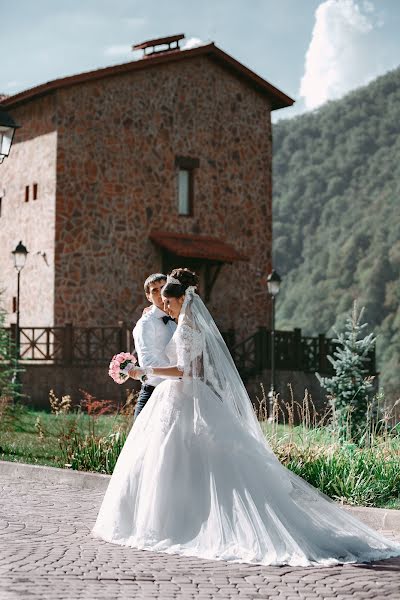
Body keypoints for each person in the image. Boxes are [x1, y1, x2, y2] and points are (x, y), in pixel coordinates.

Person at [93, 268, 400, 566]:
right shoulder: (188, 320)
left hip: (182, 393)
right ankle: (185, 517)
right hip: (184, 394)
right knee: (183, 460)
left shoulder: (185, 324)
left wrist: (142, 370)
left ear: (178, 299)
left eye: (168, 303)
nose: (166, 308)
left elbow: (185, 370)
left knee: (180, 459)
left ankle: (179, 524)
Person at [132, 273, 176, 418]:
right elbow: (147, 362)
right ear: (148, 297)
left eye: (163, 288)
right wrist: (179, 373)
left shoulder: (176, 318)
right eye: (154, 290)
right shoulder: (146, 323)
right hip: (154, 393)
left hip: (176, 393)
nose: (160, 293)